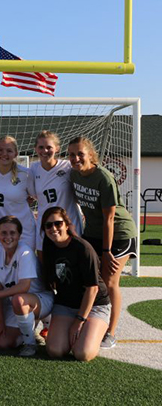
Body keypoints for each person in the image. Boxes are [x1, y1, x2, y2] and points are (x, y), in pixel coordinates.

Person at [68, 136, 137, 349]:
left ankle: (111, 332)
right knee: (88, 279)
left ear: (91, 154)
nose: (76, 158)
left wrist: (106, 251)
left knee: (109, 281)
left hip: (119, 234)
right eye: (71, 154)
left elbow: (109, 218)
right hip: (93, 233)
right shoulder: (73, 175)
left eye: (80, 153)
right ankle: (90, 321)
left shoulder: (103, 178)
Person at [41, 206, 111, 362]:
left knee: (82, 353)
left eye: (58, 224)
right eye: (48, 225)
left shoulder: (83, 248)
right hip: (66, 304)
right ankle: (81, 332)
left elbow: (92, 289)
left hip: (94, 305)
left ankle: (97, 331)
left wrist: (79, 321)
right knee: (55, 350)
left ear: (66, 224)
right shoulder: (49, 247)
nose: (53, 228)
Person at [0, 216, 54, 357]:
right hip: (16, 304)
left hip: (40, 299)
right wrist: (0, 322)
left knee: (19, 299)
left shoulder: (25, 252)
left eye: (12, 233)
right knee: (2, 343)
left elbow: (24, 286)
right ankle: (30, 325)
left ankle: (30, 343)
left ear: (19, 235)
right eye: (4, 233)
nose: (8, 237)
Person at [31, 130, 83, 256]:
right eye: (41, 147)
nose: (45, 151)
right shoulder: (33, 169)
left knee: (73, 262)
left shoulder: (68, 167)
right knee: (45, 264)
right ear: (35, 149)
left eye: (49, 147)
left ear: (57, 149)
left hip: (69, 223)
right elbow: (30, 194)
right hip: (46, 225)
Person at [0, 136, 36, 250]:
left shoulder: (26, 174)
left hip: (24, 231)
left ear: (15, 154)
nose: (4, 154)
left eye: (9, 150)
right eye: (0, 150)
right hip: (1, 233)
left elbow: (36, 196)